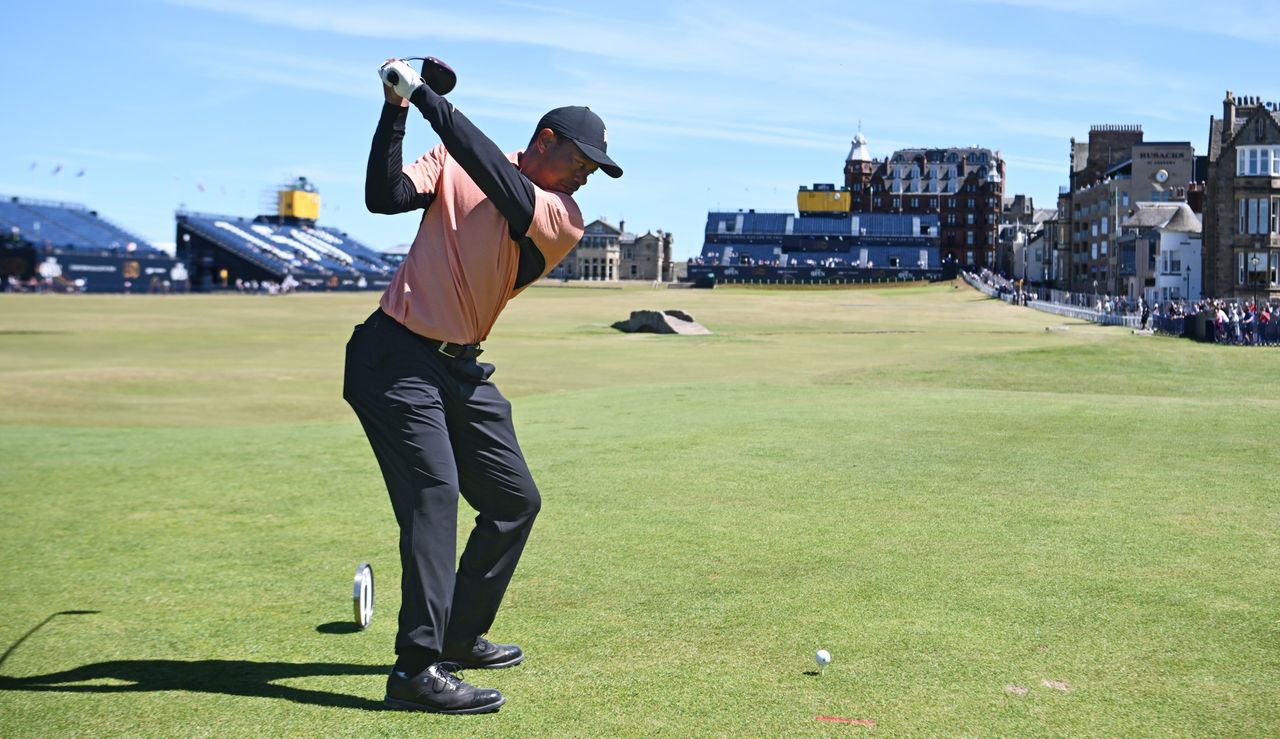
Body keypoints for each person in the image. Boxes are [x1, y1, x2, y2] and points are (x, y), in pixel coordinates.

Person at [342, 58, 621, 715]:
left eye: (595, 169)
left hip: (460, 367)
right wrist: (397, 108)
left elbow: (497, 179)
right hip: (395, 356)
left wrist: (427, 94)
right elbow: (384, 197)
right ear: (546, 140)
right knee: (434, 495)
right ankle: (416, 668)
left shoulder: (561, 215)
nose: (588, 175)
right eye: (583, 159)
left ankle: (460, 634)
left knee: (513, 498)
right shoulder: (455, 158)